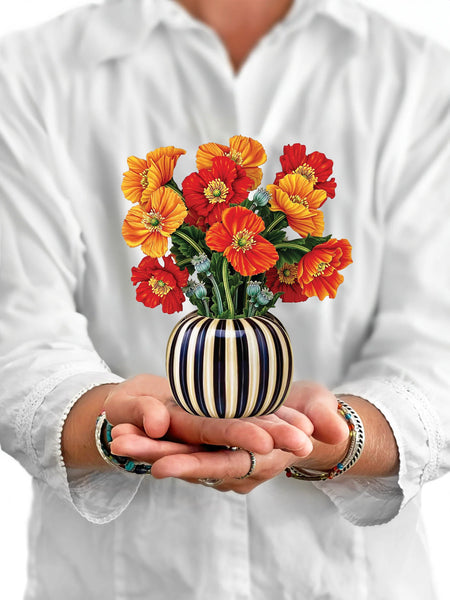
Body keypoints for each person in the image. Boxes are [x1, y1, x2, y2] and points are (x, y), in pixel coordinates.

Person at [0, 0, 449, 598]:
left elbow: (437, 342)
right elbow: (16, 333)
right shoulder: (27, 71)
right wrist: (107, 426)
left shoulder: (421, 77)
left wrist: (345, 439)